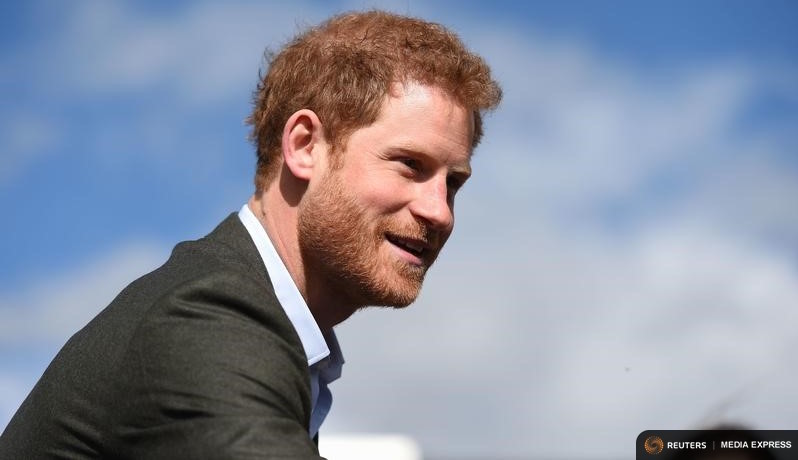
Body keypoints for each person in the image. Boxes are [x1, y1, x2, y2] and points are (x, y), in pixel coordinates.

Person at [0, 10, 501, 459]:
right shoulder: (209, 319)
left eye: (453, 183)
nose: (440, 212)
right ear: (305, 146)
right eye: (410, 165)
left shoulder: (262, 333)